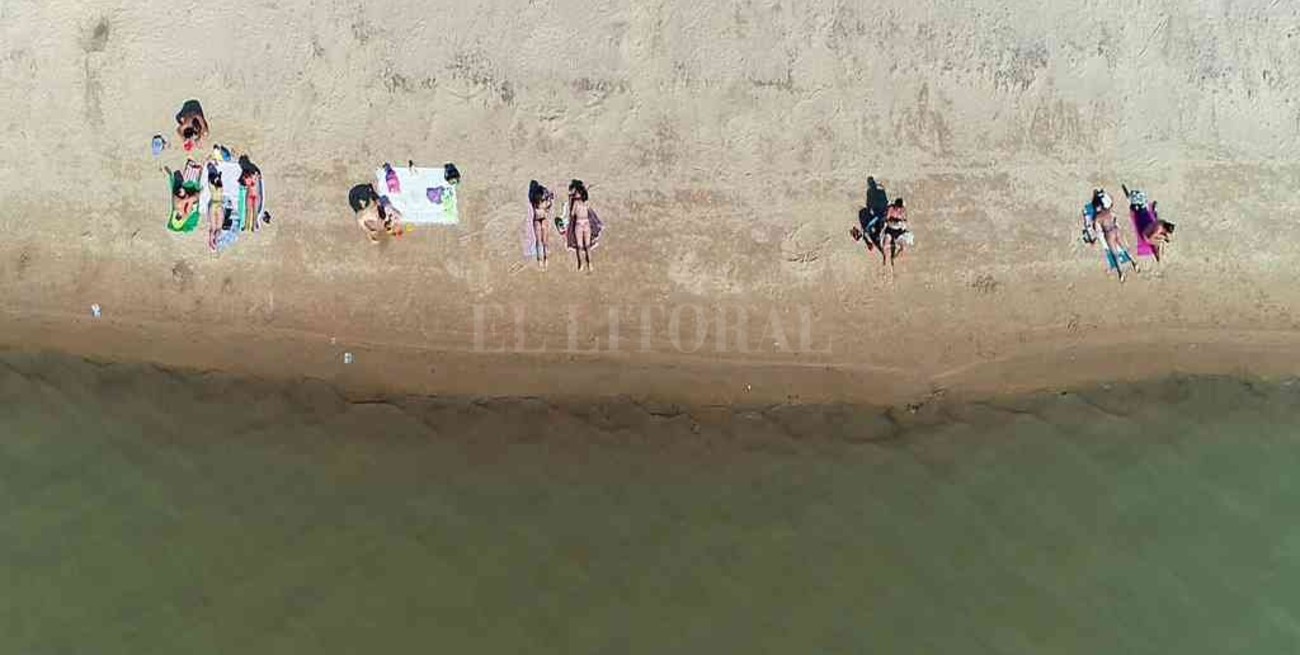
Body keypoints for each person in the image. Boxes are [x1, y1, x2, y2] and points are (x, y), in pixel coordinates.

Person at [1095, 191, 1138, 282]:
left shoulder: (1098, 218)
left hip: (1109, 234)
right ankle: (1135, 263)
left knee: (1116, 254)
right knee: (1125, 248)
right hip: (1116, 230)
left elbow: (1098, 230)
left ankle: (1122, 272)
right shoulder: (1110, 211)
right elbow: (1115, 218)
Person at [565, 179, 602, 272]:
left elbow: (573, 214)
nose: (576, 194)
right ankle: (582, 264)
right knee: (580, 246)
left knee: (587, 246)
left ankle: (589, 263)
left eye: (578, 193)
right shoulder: (577, 203)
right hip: (580, 224)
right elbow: (572, 213)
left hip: (584, 224)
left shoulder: (584, 203)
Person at [527, 180, 554, 269]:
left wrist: (549, 197)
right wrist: (549, 198)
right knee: (541, 241)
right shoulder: (542, 203)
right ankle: (542, 259)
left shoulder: (535, 202)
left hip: (539, 220)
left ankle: (543, 259)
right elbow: (549, 203)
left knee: (542, 241)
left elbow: (549, 201)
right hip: (541, 220)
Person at [879, 197, 911, 267]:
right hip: (890, 230)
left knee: (903, 248)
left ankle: (894, 258)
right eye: (896, 207)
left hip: (898, 231)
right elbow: (887, 220)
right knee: (884, 245)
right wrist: (893, 221)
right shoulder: (891, 209)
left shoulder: (903, 211)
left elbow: (905, 220)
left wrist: (902, 222)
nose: (898, 209)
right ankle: (885, 257)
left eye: (899, 208)